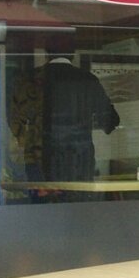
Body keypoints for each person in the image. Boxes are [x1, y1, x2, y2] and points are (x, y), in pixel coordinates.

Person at [19, 38, 120, 182]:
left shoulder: (31, 79)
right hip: (80, 160)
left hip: (41, 159)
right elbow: (110, 121)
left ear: (47, 54)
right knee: (78, 195)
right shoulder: (88, 80)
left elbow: (16, 120)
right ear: (73, 54)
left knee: (43, 195)